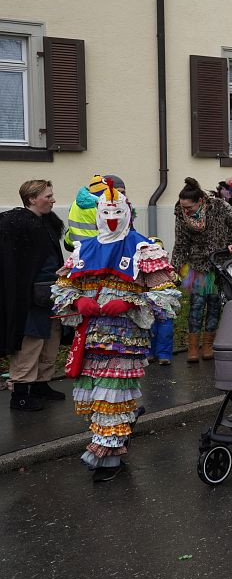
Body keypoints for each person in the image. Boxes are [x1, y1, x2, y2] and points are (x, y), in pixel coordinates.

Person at [52, 179, 180, 481]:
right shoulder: (85, 248)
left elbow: (167, 297)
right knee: (97, 399)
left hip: (125, 342)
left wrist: (131, 304)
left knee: (111, 396)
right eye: (106, 211)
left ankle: (107, 458)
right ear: (97, 213)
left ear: (127, 212)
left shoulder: (143, 248)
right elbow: (62, 289)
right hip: (89, 339)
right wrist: (78, 300)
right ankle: (122, 426)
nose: (111, 217)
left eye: (118, 211)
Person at [1, 180, 65, 411]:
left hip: (50, 293)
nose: (53, 200)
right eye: (48, 196)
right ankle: (19, 393)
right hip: (29, 297)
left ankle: (40, 384)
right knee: (31, 341)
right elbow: (15, 266)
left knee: (51, 337)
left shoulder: (46, 224)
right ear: (32, 199)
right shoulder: (16, 224)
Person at [172, 177, 232, 363]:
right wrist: (176, 265)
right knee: (196, 305)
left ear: (200, 201)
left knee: (215, 304)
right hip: (198, 265)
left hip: (220, 263)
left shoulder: (219, 206)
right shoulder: (181, 214)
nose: (185, 211)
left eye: (189, 207)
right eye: (183, 207)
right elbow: (180, 243)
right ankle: (193, 347)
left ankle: (208, 345)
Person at [63, 174, 127, 251]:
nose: (120, 196)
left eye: (123, 193)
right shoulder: (104, 206)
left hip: (77, 247)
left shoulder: (76, 202)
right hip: (97, 250)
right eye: (117, 192)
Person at [146, 236, 175, 367]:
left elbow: (174, 277)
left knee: (165, 327)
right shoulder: (142, 266)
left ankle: (163, 354)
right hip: (147, 300)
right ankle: (150, 353)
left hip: (164, 300)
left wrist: (175, 278)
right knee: (149, 327)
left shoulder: (166, 265)